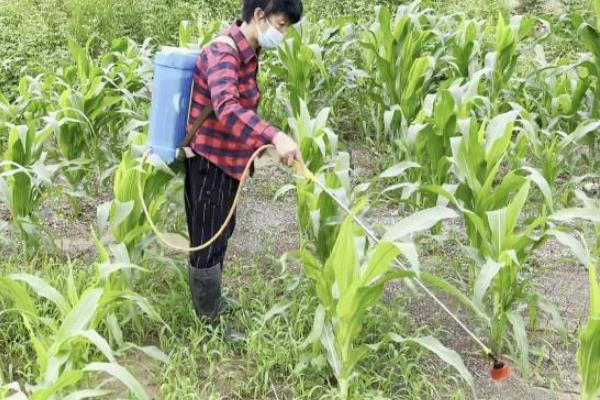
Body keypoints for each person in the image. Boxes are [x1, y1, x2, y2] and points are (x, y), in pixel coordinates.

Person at [184, 0, 304, 322]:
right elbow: (226, 107)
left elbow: (241, 115)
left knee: (223, 230)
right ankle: (207, 320)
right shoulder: (224, 52)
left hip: (228, 161)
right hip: (211, 162)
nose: (283, 35)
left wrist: (264, 146)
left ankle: (213, 301)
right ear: (259, 16)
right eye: (281, 26)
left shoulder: (248, 52)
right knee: (208, 238)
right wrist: (275, 136)